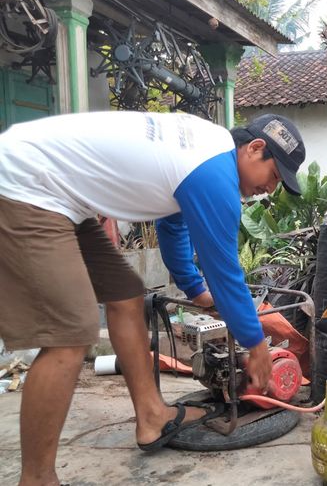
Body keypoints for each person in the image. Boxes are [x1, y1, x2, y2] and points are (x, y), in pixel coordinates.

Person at [0, 111, 306, 485]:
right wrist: (256, 344)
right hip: (25, 185)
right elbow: (224, 270)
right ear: (255, 148)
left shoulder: (207, 151)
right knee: (69, 335)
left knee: (126, 295)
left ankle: (151, 416)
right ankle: (37, 479)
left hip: (62, 197)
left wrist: (195, 290)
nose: (270, 189)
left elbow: (171, 224)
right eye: (274, 177)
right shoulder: (215, 175)